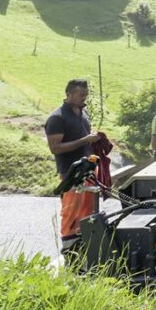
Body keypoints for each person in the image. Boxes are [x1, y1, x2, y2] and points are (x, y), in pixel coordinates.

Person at [45, 79, 101, 249]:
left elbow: (85, 142)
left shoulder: (84, 114)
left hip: (88, 170)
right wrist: (85, 140)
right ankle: (69, 251)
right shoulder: (57, 118)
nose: (84, 98)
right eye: (80, 95)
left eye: (86, 94)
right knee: (71, 213)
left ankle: (87, 247)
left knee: (88, 212)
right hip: (70, 174)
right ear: (68, 94)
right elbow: (55, 148)